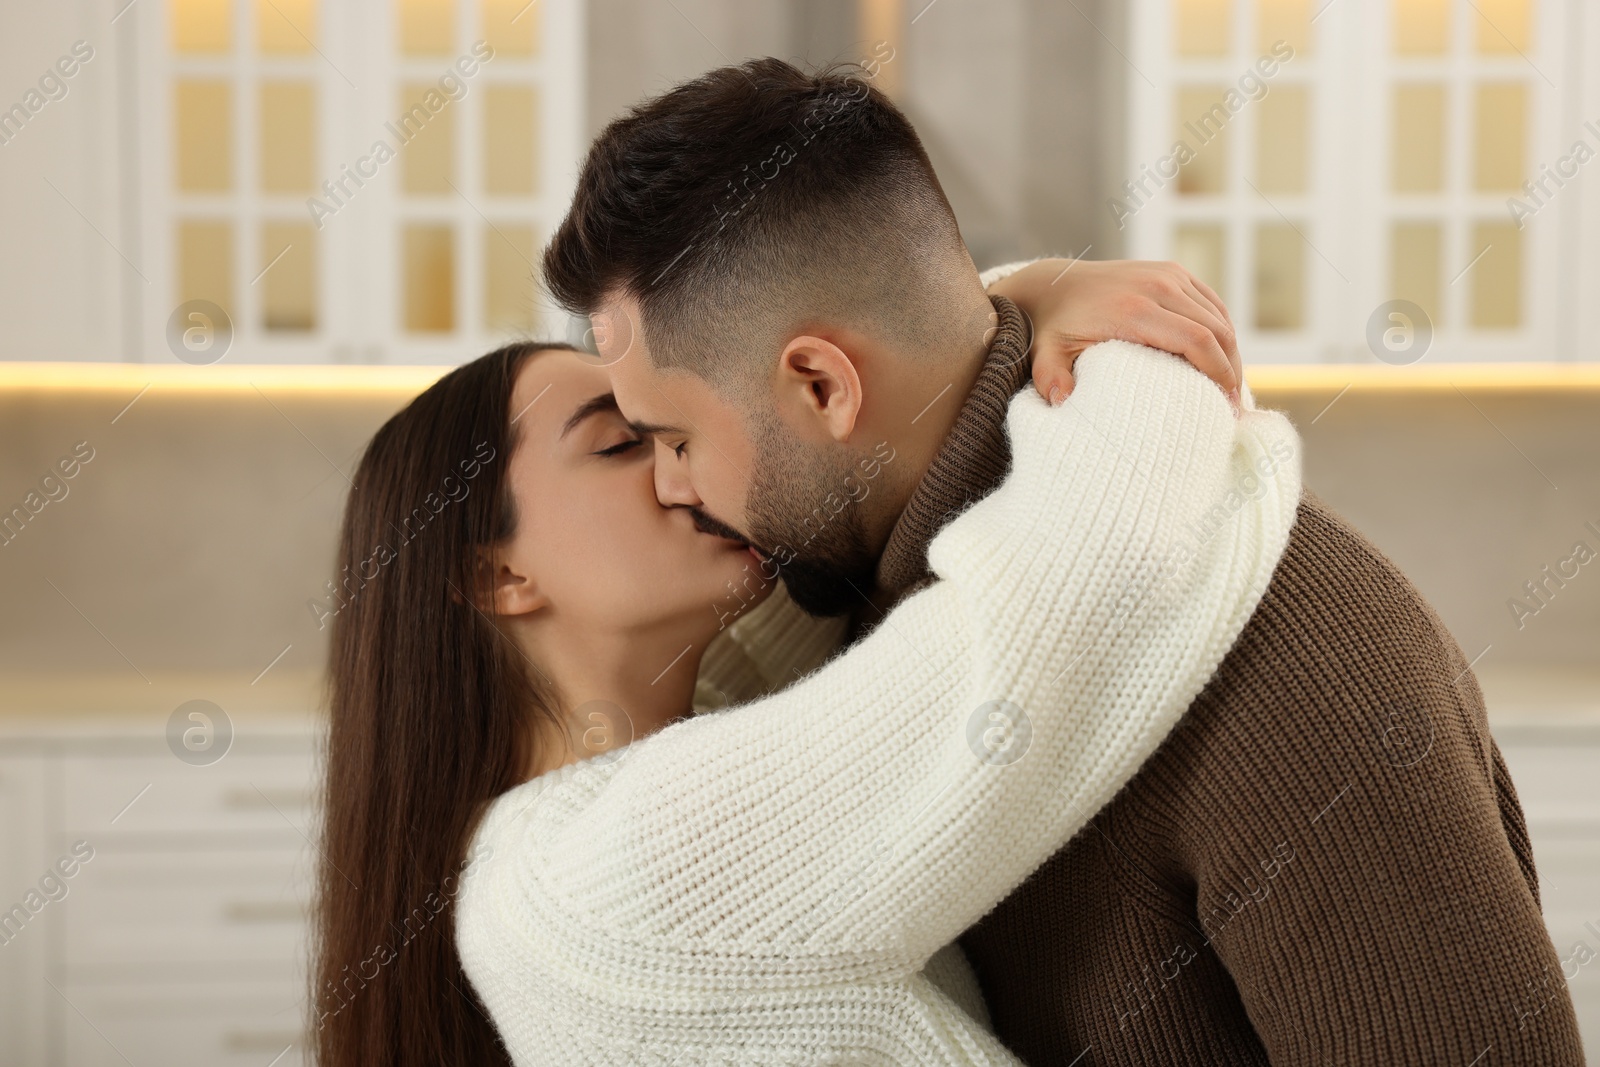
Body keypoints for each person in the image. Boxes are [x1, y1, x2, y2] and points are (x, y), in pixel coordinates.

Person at [541, 57, 1586, 1065]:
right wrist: (1032, 288)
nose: (672, 489)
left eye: (675, 439)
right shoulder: (853, 612)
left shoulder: (1297, 661)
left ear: (820, 387)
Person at [309, 269, 1261, 1063]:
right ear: (497, 572)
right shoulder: (616, 873)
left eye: (667, 422)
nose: (680, 464)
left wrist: (1038, 293)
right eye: (621, 442)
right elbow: (1073, 592)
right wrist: (1149, 352)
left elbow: (866, 393)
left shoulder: (679, 729)